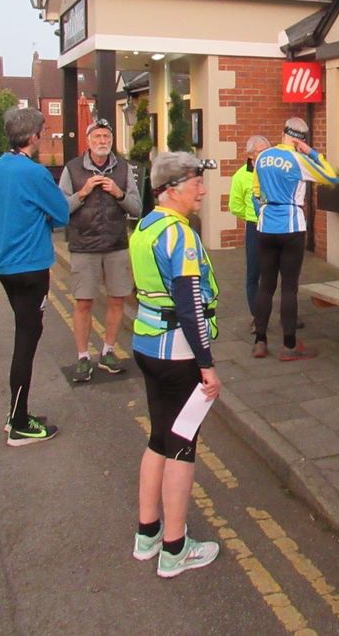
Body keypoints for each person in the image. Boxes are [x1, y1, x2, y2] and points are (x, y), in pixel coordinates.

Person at [129, 151, 221, 578]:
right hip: (178, 353)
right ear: (171, 189)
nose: (202, 189)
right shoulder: (180, 235)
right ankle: (175, 547)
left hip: (146, 346)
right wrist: (207, 365)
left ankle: (147, 534)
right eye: (195, 182)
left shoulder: (145, 226)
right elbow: (190, 309)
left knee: (159, 439)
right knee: (183, 448)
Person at [0, 107, 69, 447]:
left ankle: (16, 415)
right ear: (33, 136)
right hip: (31, 267)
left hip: (5, 265)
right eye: (43, 130)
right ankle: (19, 422)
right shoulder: (34, 173)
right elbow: (62, 213)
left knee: (24, 336)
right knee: (26, 342)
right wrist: (47, 219)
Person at [59, 118, 141, 381]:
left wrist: (119, 193)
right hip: (84, 246)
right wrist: (82, 193)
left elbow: (137, 208)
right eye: (98, 137)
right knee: (84, 302)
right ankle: (83, 357)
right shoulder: (72, 169)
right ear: (88, 141)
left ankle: (107, 351)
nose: (103, 141)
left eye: (107, 137)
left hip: (116, 245)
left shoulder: (124, 168)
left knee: (117, 299)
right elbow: (61, 210)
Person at [250, 117, 339, 360]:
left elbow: (256, 192)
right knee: (289, 287)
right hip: (291, 225)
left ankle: (260, 341)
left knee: (265, 285)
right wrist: (311, 152)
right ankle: (289, 346)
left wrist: (263, 209)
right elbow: (332, 177)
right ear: (300, 139)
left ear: (282, 133)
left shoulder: (262, 157)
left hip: (266, 225)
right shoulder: (299, 160)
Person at [229, 134, 270, 334]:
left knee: (272, 272)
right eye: (261, 152)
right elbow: (234, 206)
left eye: (267, 151)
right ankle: (257, 316)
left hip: (272, 226)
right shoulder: (240, 176)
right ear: (251, 155)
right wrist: (251, 214)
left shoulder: (273, 171)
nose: (265, 156)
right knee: (254, 273)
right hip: (254, 227)